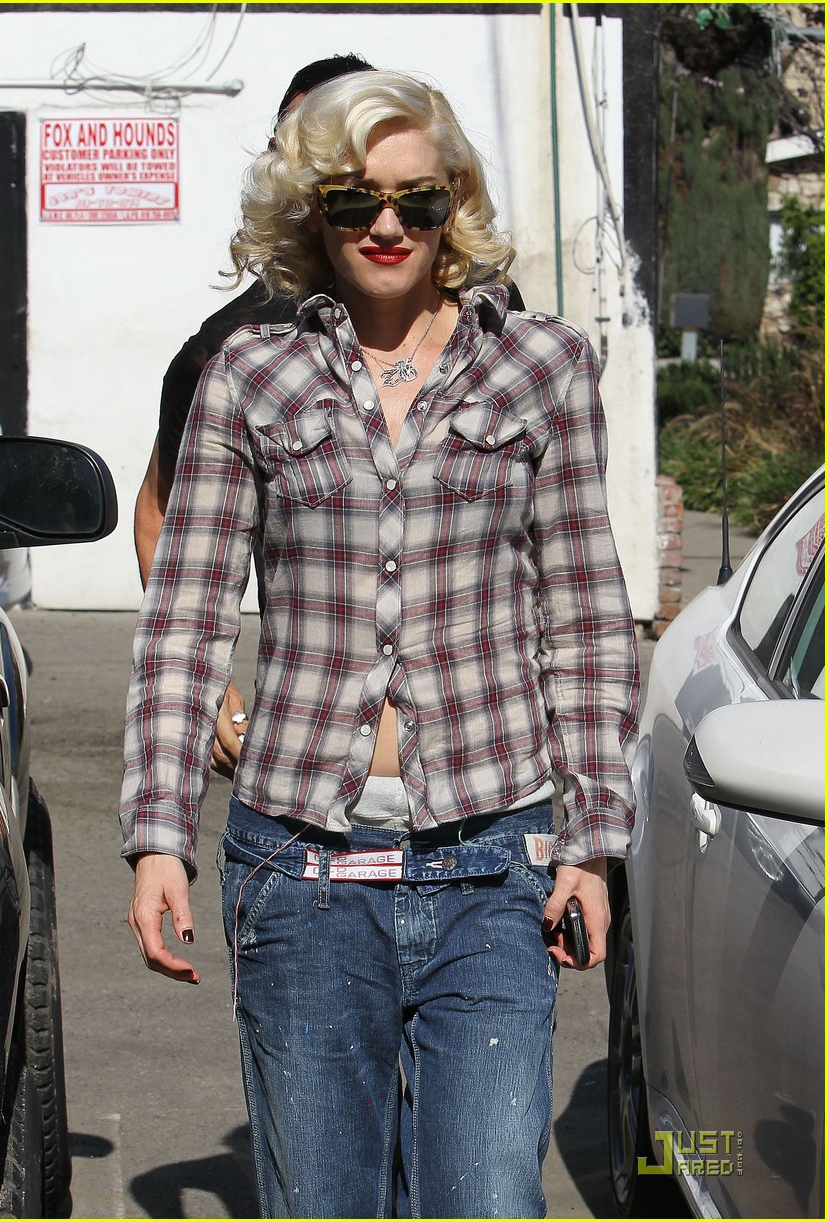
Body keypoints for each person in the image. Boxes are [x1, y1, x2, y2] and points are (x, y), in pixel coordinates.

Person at [120, 68, 638, 1219]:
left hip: (492, 860)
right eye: (356, 200)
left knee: (487, 1194)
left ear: (457, 204)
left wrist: (593, 843)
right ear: (312, 211)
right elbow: (188, 613)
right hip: (301, 868)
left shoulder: (543, 368)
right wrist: (159, 833)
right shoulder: (249, 374)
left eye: (418, 198)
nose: (388, 224)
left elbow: (587, 614)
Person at [134, 54, 376, 776]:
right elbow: (162, 513)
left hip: (484, 776)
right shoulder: (228, 348)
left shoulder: (488, 322)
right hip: (303, 763)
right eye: (304, 143)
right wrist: (207, 685)